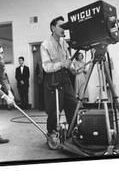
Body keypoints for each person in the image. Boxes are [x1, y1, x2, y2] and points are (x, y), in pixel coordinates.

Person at [40, 16, 77, 144]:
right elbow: (46, 67)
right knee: (54, 109)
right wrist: (62, 64)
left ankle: (73, 132)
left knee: (72, 103)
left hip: (65, 77)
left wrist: (72, 68)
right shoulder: (45, 45)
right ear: (53, 28)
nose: (64, 29)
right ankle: (52, 133)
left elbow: (68, 59)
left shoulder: (64, 42)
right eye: (61, 26)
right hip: (52, 78)